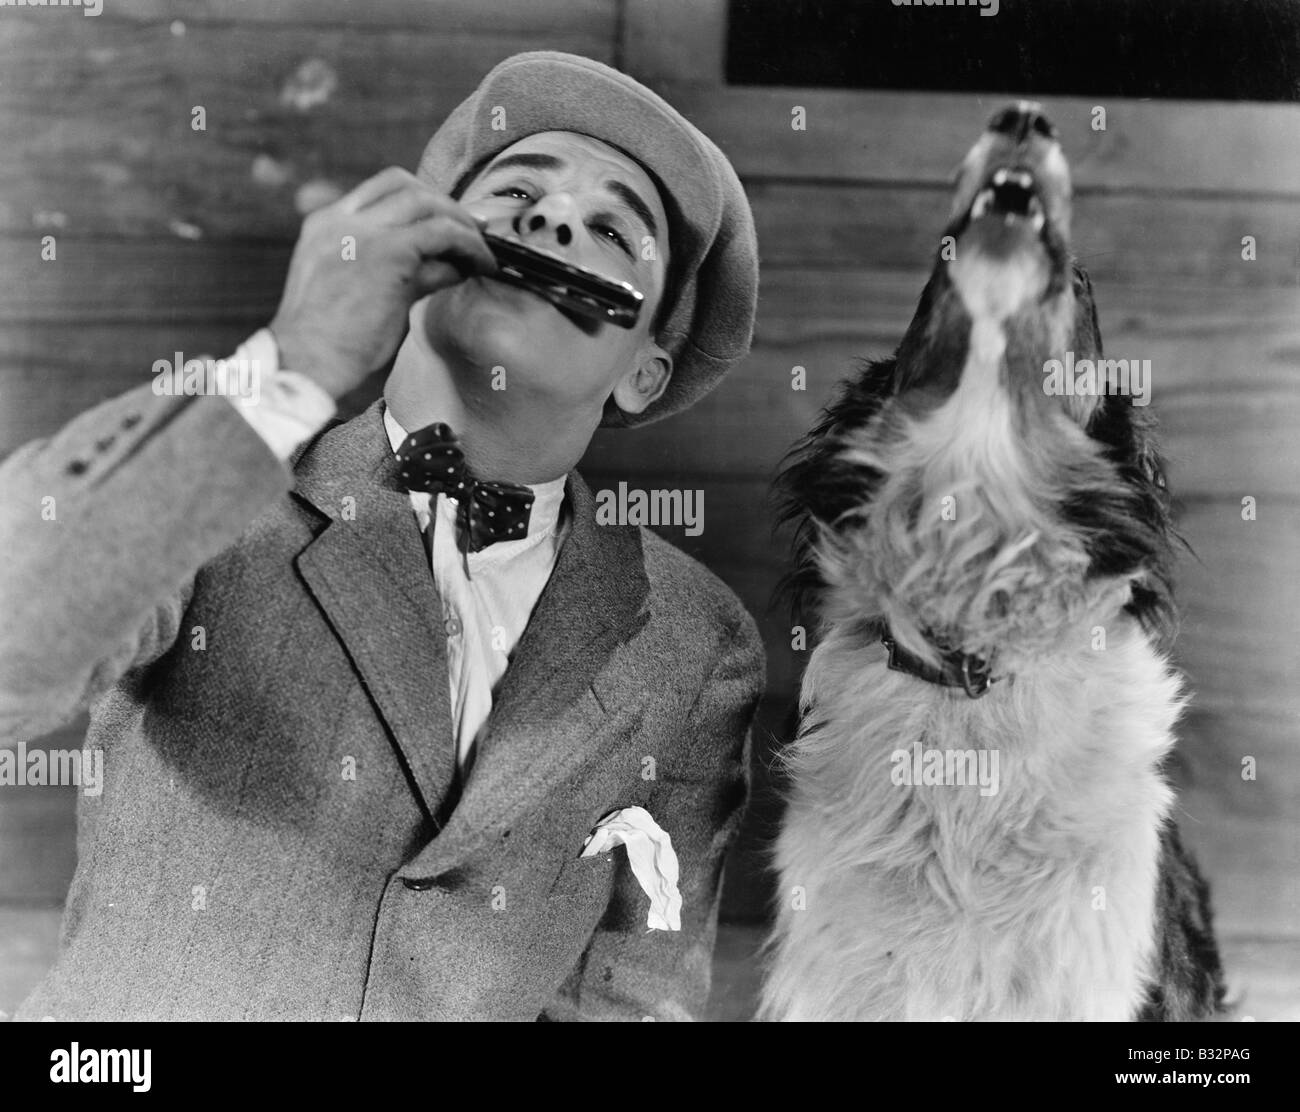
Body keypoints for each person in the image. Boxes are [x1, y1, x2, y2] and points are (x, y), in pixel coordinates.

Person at [0, 51, 763, 1021]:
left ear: (643, 372)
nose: (556, 221)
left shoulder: (695, 641)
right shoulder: (226, 489)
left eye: (611, 225)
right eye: (517, 192)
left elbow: (632, 995)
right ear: (424, 258)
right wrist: (294, 358)